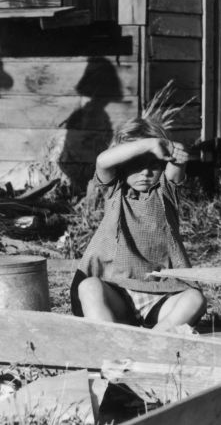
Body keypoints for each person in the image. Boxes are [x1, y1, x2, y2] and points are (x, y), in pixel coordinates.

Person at [74, 113, 206, 331]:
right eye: (135, 165)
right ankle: (112, 344)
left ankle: (153, 341)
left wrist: (166, 148)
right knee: (88, 287)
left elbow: (178, 154)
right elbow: (102, 161)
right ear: (122, 165)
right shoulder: (115, 189)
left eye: (153, 165)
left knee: (195, 299)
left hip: (161, 295)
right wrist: (150, 144)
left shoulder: (165, 189)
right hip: (117, 293)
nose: (145, 173)